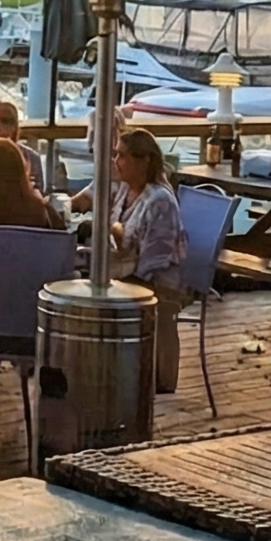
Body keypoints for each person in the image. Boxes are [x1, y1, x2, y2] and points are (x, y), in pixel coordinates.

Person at [97, 126, 188, 393]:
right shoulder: (127, 190)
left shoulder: (159, 201)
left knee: (92, 291)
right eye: (115, 155)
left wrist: (114, 280)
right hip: (131, 269)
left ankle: (131, 375)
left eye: (122, 156)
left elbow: (154, 261)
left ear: (144, 161)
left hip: (159, 282)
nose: (116, 161)